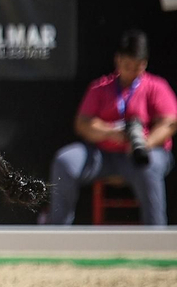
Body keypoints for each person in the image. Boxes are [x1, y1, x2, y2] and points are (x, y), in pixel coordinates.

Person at [44, 30, 175, 225]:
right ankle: (57, 230)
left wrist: (145, 142)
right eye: (127, 65)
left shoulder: (157, 86)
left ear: (145, 63)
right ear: (118, 60)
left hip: (142, 154)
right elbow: (82, 124)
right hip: (103, 154)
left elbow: (170, 123)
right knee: (66, 160)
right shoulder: (100, 87)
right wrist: (111, 133)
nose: (132, 71)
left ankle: (155, 234)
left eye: (138, 66)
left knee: (149, 166)